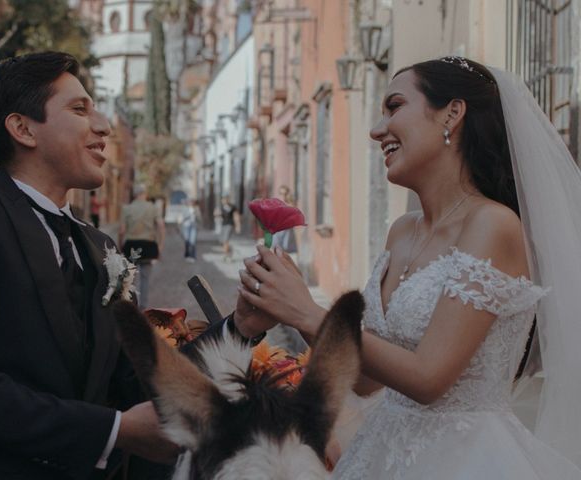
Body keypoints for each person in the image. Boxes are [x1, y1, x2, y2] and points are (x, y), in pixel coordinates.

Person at [235, 57, 581, 478]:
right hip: (382, 451)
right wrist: (289, 302)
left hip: (465, 460)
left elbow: (429, 378)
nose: (377, 130)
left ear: (452, 113)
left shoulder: (493, 225)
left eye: (394, 106)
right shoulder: (401, 232)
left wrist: (307, 312)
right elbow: (364, 382)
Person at [0, 51, 178, 479]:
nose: (103, 126)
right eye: (79, 109)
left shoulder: (99, 245)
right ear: (23, 128)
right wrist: (114, 430)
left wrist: (242, 328)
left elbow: (132, 376)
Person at [119, 184, 165, 308]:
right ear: (145, 194)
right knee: (145, 279)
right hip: (148, 246)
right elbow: (161, 226)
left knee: (130, 279)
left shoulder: (127, 208)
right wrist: (160, 245)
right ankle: (143, 307)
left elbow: (122, 230)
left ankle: (131, 306)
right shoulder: (153, 208)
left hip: (131, 246)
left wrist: (120, 245)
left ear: (134, 194)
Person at [219, 195, 240, 261]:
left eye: (225, 199)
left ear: (227, 199)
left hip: (230, 225)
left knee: (226, 240)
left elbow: (236, 216)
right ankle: (229, 252)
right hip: (223, 225)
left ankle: (226, 255)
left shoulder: (232, 207)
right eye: (222, 200)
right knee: (222, 241)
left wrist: (238, 226)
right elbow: (219, 216)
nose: (223, 201)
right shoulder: (221, 207)